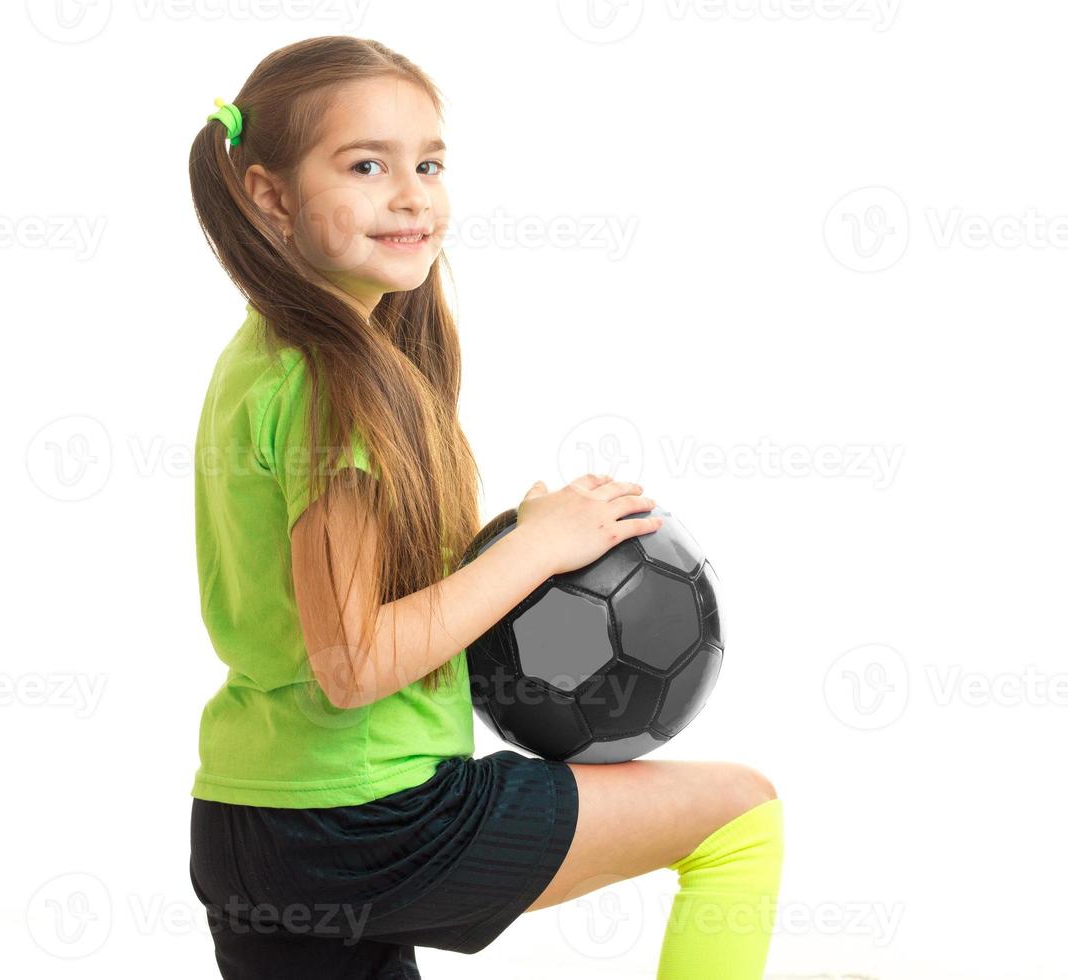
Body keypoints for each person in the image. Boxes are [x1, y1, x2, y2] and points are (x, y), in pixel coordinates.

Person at [186, 35, 782, 979]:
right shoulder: (335, 385)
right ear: (269, 197)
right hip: (365, 820)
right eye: (366, 165)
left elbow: (326, 617)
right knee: (741, 814)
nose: (412, 193)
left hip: (251, 819)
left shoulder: (266, 360)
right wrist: (532, 556)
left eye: (428, 163)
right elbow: (354, 662)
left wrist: (507, 547)